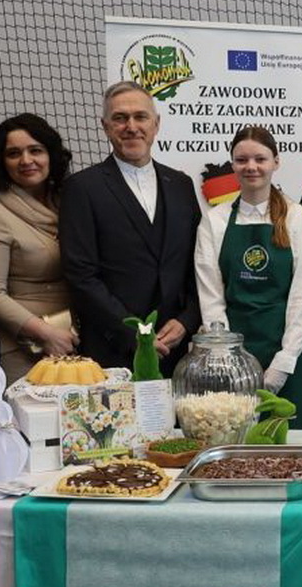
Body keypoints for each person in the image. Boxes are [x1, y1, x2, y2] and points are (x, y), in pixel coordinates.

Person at [60, 81, 200, 375]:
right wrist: (131, 333)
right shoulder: (81, 188)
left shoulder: (182, 185)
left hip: (173, 348)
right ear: (105, 126)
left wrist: (187, 320)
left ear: (156, 124)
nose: (131, 127)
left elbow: (197, 263)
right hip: (111, 350)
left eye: (140, 117)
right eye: (120, 118)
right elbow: (81, 275)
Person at [193, 125, 302, 426]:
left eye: (260, 159)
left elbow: (301, 299)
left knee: (291, 442)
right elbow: (211, 296)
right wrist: (227, 360)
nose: (251, 167)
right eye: (242, 160)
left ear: (276, 162)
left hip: (288, 352)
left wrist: (283, 363)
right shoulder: (214, 221)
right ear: (233, 165)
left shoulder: (299, 219)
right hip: (231, 356)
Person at [0, 113, 77, 384]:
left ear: (51, 155)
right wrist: (46, 334)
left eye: (35, 150)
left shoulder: (72, 205)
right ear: (2, 163)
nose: (26, 160)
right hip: (17, 351)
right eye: (14, 154)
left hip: (69, 342)